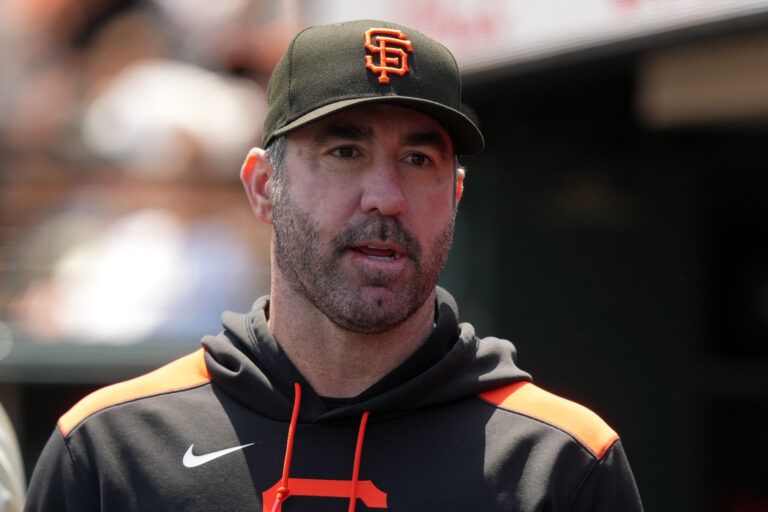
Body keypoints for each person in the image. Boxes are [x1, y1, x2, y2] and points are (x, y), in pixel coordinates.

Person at [25, 19, 643, 511]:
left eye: (419, 160)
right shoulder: (112, 448)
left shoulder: (560, 461)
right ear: (265, 186)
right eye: (345, 151)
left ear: (456, 196)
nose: (386, 196)